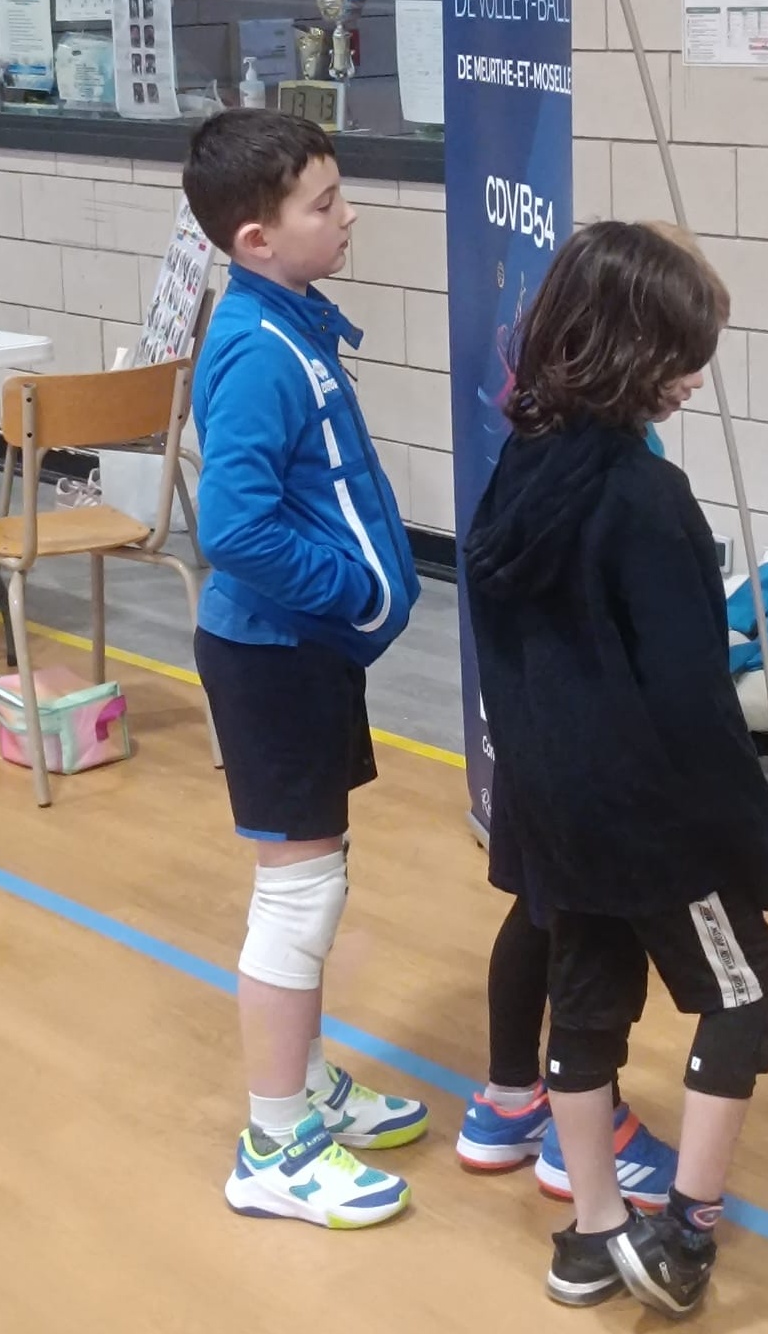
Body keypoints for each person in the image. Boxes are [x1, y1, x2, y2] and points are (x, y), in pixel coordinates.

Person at [464, 221, 768, 1316]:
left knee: (587, 1006)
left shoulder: (519, 469)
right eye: (682, 357)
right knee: (750, 992)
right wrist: (751, 843)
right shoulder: (649, 503)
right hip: (651, 824)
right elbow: (694, 707)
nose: (694, 380)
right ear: (630, 351)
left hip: (554, 807)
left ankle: (593, 1232)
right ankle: (687, 1230)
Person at [183, 111, 428, 1230]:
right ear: (256, 239)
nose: (348, 216)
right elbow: (234, 525)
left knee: (317, 876)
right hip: (271, 656)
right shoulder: (257, 350)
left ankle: (309, 1080)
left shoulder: (288, 324)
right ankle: (274, 1143)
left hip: (303, 654)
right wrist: (352, 589)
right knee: (299, 894)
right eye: (323, 204)